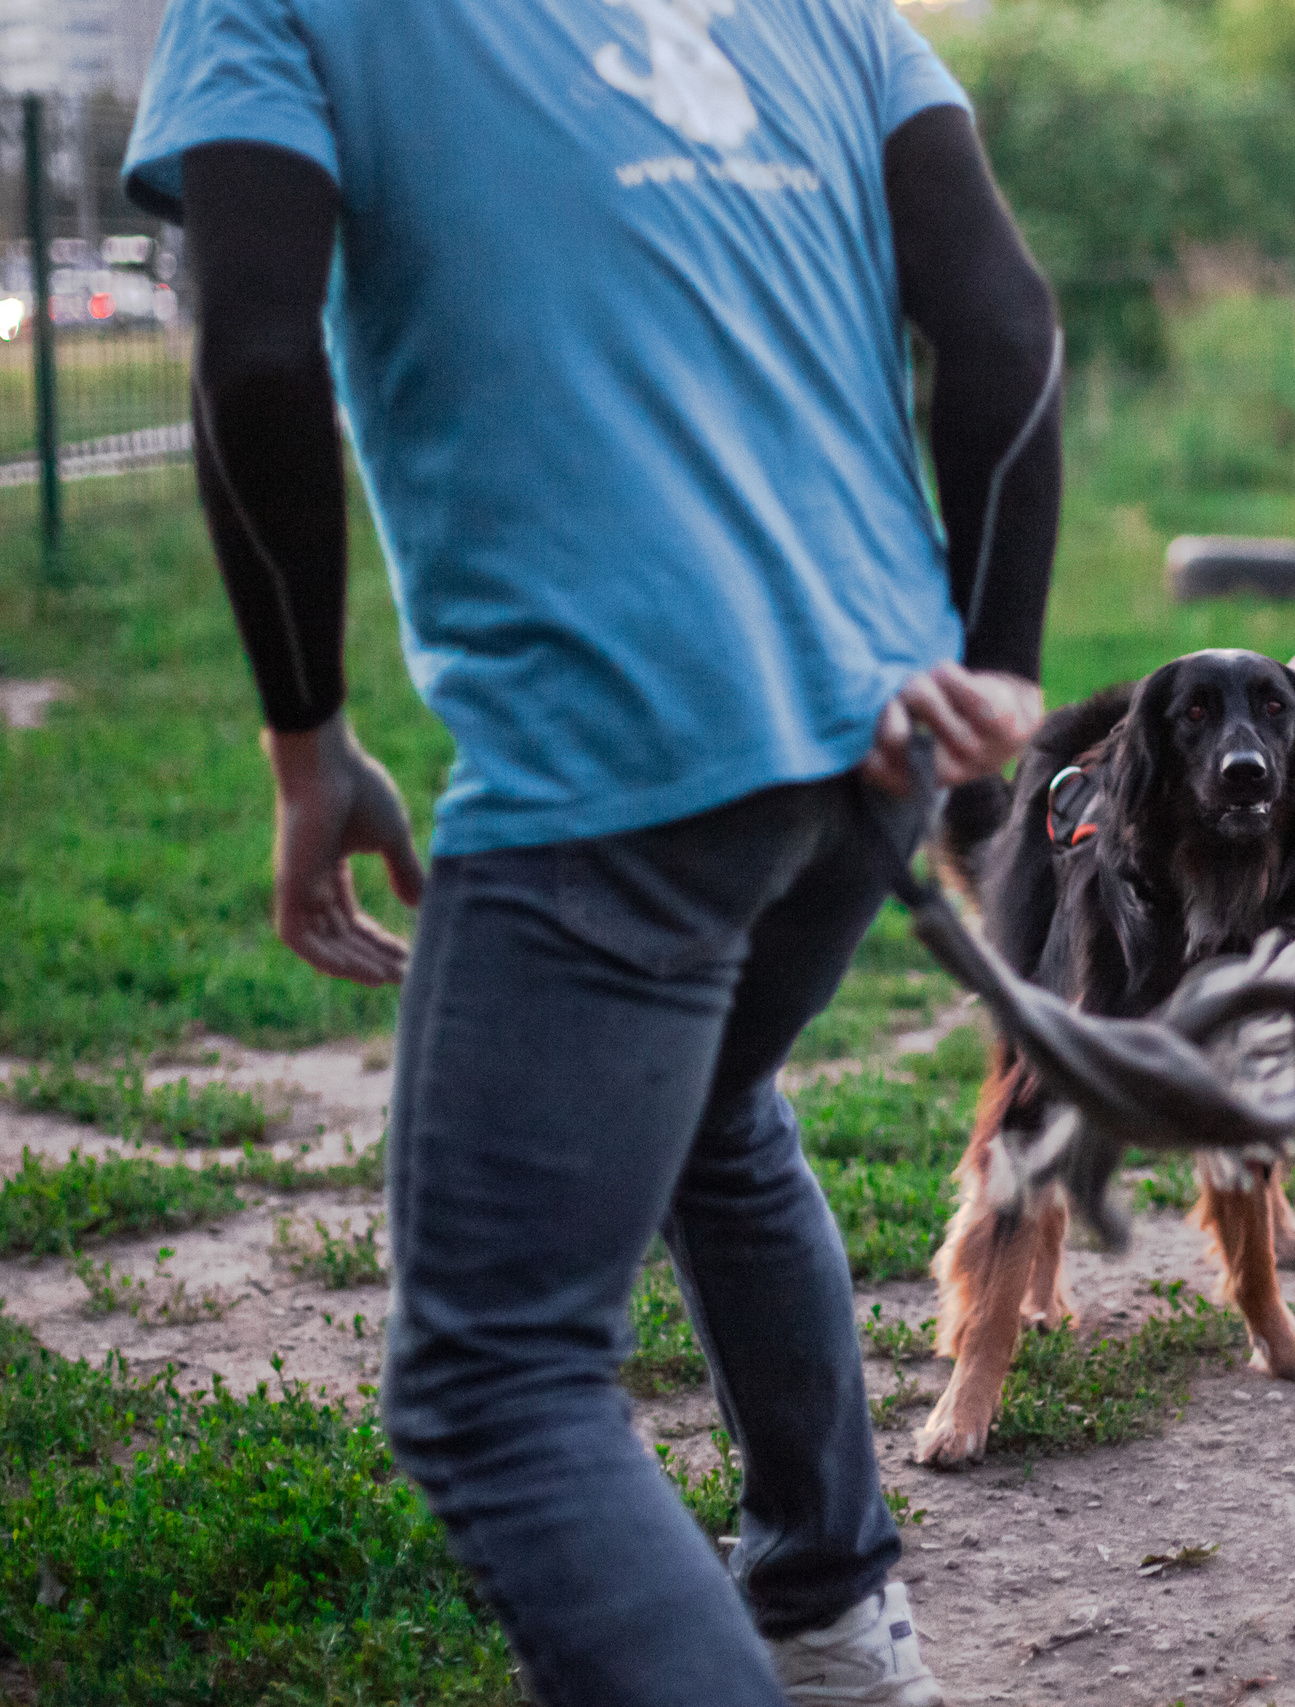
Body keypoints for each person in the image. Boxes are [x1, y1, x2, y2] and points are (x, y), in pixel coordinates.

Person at [121, 0, 1063, 1697]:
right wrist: (996, 661)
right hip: (881, 731)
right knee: (711, 1106)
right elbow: (1001, 323)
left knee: (495, 1386)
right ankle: (841, 1628)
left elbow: (256, 356)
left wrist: (306, 740)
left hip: (614, 765)